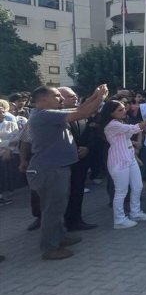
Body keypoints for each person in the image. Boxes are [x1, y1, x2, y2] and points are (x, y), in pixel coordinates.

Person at [26, 84, 107, 260]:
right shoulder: (45, 115)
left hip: (55, 168)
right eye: (56, 96)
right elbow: (83, 113)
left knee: (58, 207)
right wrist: (100, 98)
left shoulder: (49, 114)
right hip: (49, 170)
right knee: (52, 210)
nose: (61, 99)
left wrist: (94, 95)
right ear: (42, 100)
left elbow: (79, 109)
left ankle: (59, 237)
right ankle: (50, 248)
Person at [101, 100, 146, 229]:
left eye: (123, 109)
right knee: (121, 191)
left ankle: (135, 212)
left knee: (137, 186)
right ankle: (119, 219)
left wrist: (135, 155)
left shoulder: (119, 123)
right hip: (119, 160)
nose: (124, 111)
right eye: (119, 110)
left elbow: (128, 136)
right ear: (111, 113)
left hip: (130, 157)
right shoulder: (112, 124)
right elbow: (134, 128)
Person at [57, 87, 98, 232]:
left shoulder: (83, 115)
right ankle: (58, 225)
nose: (74, 98)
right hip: (62, 163)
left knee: (77, 191)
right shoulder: (54, 116)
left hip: (81, 160)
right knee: (61, 195)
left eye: (74, 95)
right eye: (68, 96)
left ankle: (75, 220)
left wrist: (87, 147)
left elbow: (90, 134)